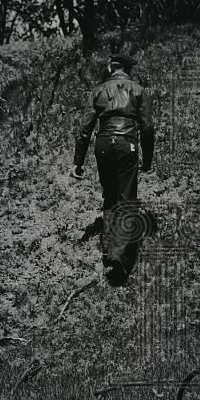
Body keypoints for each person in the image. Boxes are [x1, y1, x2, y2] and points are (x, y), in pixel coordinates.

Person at [72, 52, 155, 286]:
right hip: (126, 142)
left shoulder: (98, 90)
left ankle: (108, 249)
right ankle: (117, 256)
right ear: (128, 69)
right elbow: (147, 128)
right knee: (126, 198)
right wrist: (146, 160)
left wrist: (78, 161)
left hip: (102, 145)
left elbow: (85, 129)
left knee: (109, 195)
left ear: (111, 68)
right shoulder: (137, 90)